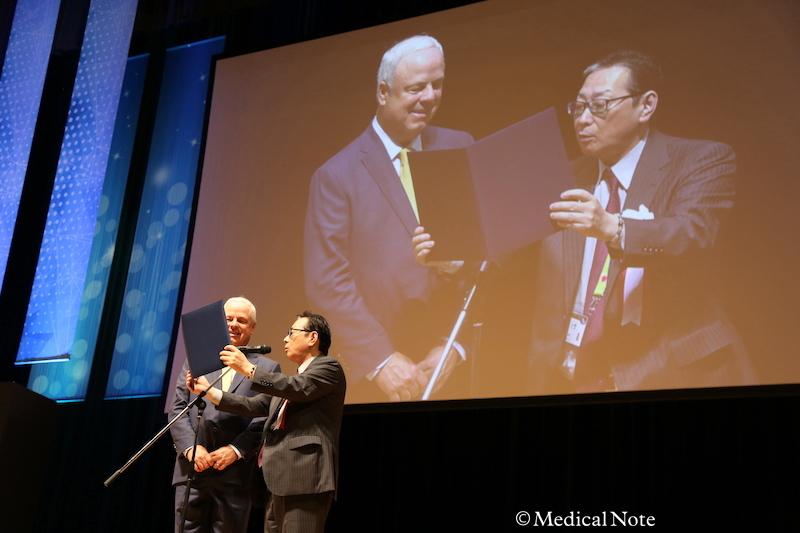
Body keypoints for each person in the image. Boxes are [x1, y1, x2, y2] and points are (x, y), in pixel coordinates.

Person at [415, 50, 756, 395]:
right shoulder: (563, 177)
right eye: (578, 107)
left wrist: (614, 228)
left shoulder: (700, 159)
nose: (583, 119)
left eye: (600, 105)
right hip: (570, 375)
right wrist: (453, 259)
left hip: (666, 371)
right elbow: (513, 249)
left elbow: (694, 235)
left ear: (646, 106)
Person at [303, 34, 474, 403]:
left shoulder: (461, 147)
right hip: (376, 381)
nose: (429, 97)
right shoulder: (336, 175)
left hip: (456, 369)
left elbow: (487, 253)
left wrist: (454, 345)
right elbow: (327, 281)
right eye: (416, 88)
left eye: (437, 84)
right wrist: (380, 359)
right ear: (383, 92)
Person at [186, 311, 346, 533]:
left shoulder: (328, 368)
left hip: (305, 479)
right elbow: (254, 405)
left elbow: (298, 388)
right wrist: (210, 392)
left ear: (312, 338)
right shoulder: (289, 381)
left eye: (292, 333)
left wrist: (248, 370)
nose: (285, 339)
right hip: (277, 480)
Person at [170, 297, 281, 533]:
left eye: (241, 320)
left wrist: (235, 450)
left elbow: (264, 419)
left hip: (234, 476)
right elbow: (178, 408)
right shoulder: (195, 359)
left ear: (253, 327)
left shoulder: (266, 368)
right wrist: (191, 448)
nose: (233, 324)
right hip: (192, 471)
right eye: (228, 319)